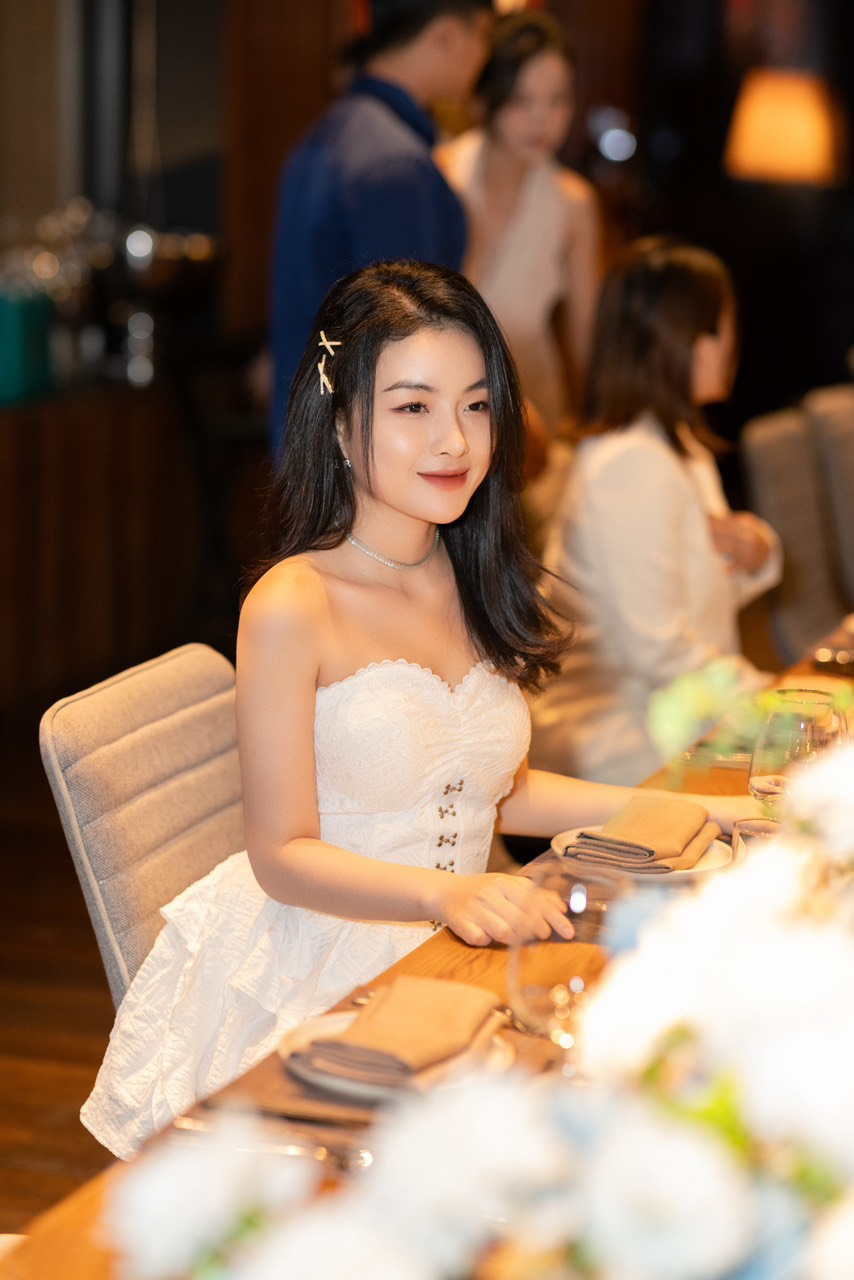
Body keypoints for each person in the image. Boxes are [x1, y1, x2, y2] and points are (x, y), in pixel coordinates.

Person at [81, 260, 759, 1160]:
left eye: (476, 405)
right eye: (413, 406)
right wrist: (447, 892)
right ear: (340, 423)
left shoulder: (467, 569)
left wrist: (678, 808)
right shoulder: (293, 603)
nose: (454, 440)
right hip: (321, 965)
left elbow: (497, 792)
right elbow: (280, 855)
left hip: (456, 947)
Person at [528, 238, 783, 787]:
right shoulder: (628, 464)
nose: (732, 342)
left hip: (678, 721)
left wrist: (758, 551)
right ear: (687, 340)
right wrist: (772, 704)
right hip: (624, 747)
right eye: (723, 325)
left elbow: (691, 593)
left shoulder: (677, 446)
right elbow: (658, 650)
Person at [269, 0, 494, 459]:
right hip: (366, 445)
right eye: (483, 37)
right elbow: (413, 330)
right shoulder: (392, 161)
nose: (484, 57)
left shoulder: (332, 132)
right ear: (447, 34)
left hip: (315, 428)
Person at [437, 11, 601, 439]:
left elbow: (586, 339)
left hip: (536, 408)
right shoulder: (443, 174)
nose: (542, 119)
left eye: (558, 100)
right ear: (487, 98)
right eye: (522, 101)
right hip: (448, 405)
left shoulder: (573, 202)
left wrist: (592, 430)